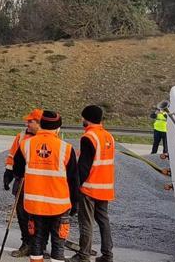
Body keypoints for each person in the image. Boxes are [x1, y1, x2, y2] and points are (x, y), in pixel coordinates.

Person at [13, 110, 79, 262]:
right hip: (60, 206)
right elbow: (73, 179)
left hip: (34, 205)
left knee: (36, 242)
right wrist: (75, 202)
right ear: (58, 128)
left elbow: (17, 171)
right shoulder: (66, 148)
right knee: (58, 245)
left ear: (41, 124)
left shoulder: (26, 145)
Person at [67, 105, 115, 262]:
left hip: (90, 187)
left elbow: (84, 167)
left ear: (87, 119)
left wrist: (76, 186)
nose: (81, 120)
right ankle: (107, 255)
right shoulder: (108, 136)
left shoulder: (88, 137)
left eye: (82, 117)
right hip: (105, 187)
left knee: (86, 222)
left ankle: (83, 255)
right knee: (103, 221)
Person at [3, 108, 42, 258]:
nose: (27, 123)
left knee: (38, 217)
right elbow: (12, 156)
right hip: (22, 182)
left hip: (38, 183)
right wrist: (8, 173)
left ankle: (38, 245)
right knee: (22, 215)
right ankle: (27, 243)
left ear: (38, 123)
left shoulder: (47, 138)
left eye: (30, 121)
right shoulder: (21, 137)